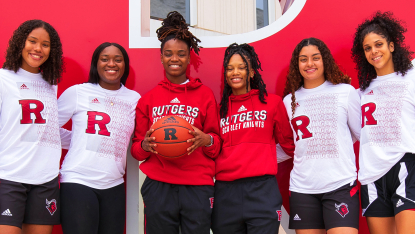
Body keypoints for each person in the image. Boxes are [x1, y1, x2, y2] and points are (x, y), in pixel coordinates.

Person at [131, 11, 221, 234]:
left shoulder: (205, 95)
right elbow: (136, 149)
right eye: (168, 54)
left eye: (181, 54)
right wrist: (145, 146)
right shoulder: (148, 99)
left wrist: (206, 140)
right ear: (161, 57)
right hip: (159, 185)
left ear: (190, 57)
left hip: (197, 186)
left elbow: (217, 145)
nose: (174, 59)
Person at [211, 43, 295, 234]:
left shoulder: (271, 103)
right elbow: (212, 149)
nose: (235, 72)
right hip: (226, 192)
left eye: (242, 67)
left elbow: (289, 145)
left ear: (251, 72)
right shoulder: (218, 110)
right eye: (230, 68)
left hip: (263, 190)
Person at [57, 42, 140, 234]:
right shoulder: (78, 92)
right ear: (96, 63)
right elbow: (49, 128)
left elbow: (137, 138)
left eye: (117, 60)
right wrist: (80, 140)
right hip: (78, 180)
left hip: (114, 184)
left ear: (125, 65)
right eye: (105, 59)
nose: (111, 63)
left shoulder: (134, 99)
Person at [283, 38, 360, 234]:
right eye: (303, 59)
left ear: (324, 60)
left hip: (340, 184)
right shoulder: (288, 100)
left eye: (315, 58)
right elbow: (290, 143)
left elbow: (359, 134)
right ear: (296, 64)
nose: (309, 64)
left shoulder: (345, 92)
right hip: (303, 189)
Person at [0, 19, 64, 234]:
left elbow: (47, 130)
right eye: (32, 41)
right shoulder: (1, 79)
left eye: (45, 44)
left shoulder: (50, 83)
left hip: (45, 180)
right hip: (9, 178)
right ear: (20, 43)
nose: (38, 48)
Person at [351, 11, 415, 234]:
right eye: (367, 48)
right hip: (372, 175)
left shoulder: (411, 77)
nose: (373, 51)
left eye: (378, 44)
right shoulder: (361, 92)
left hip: (406, 167)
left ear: (391, 45)